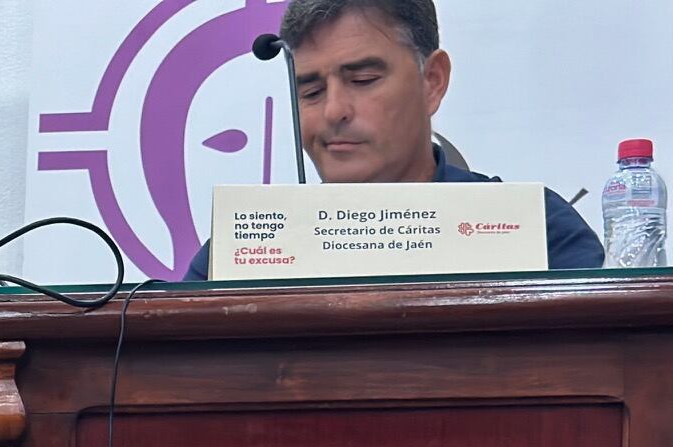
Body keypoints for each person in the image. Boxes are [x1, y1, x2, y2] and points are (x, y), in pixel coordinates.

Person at [184, 0, 603, 279]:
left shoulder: (536, 231)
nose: (333, 111)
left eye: (363, 80)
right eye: (310, 91)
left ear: (432, 82)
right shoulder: (246, 250)